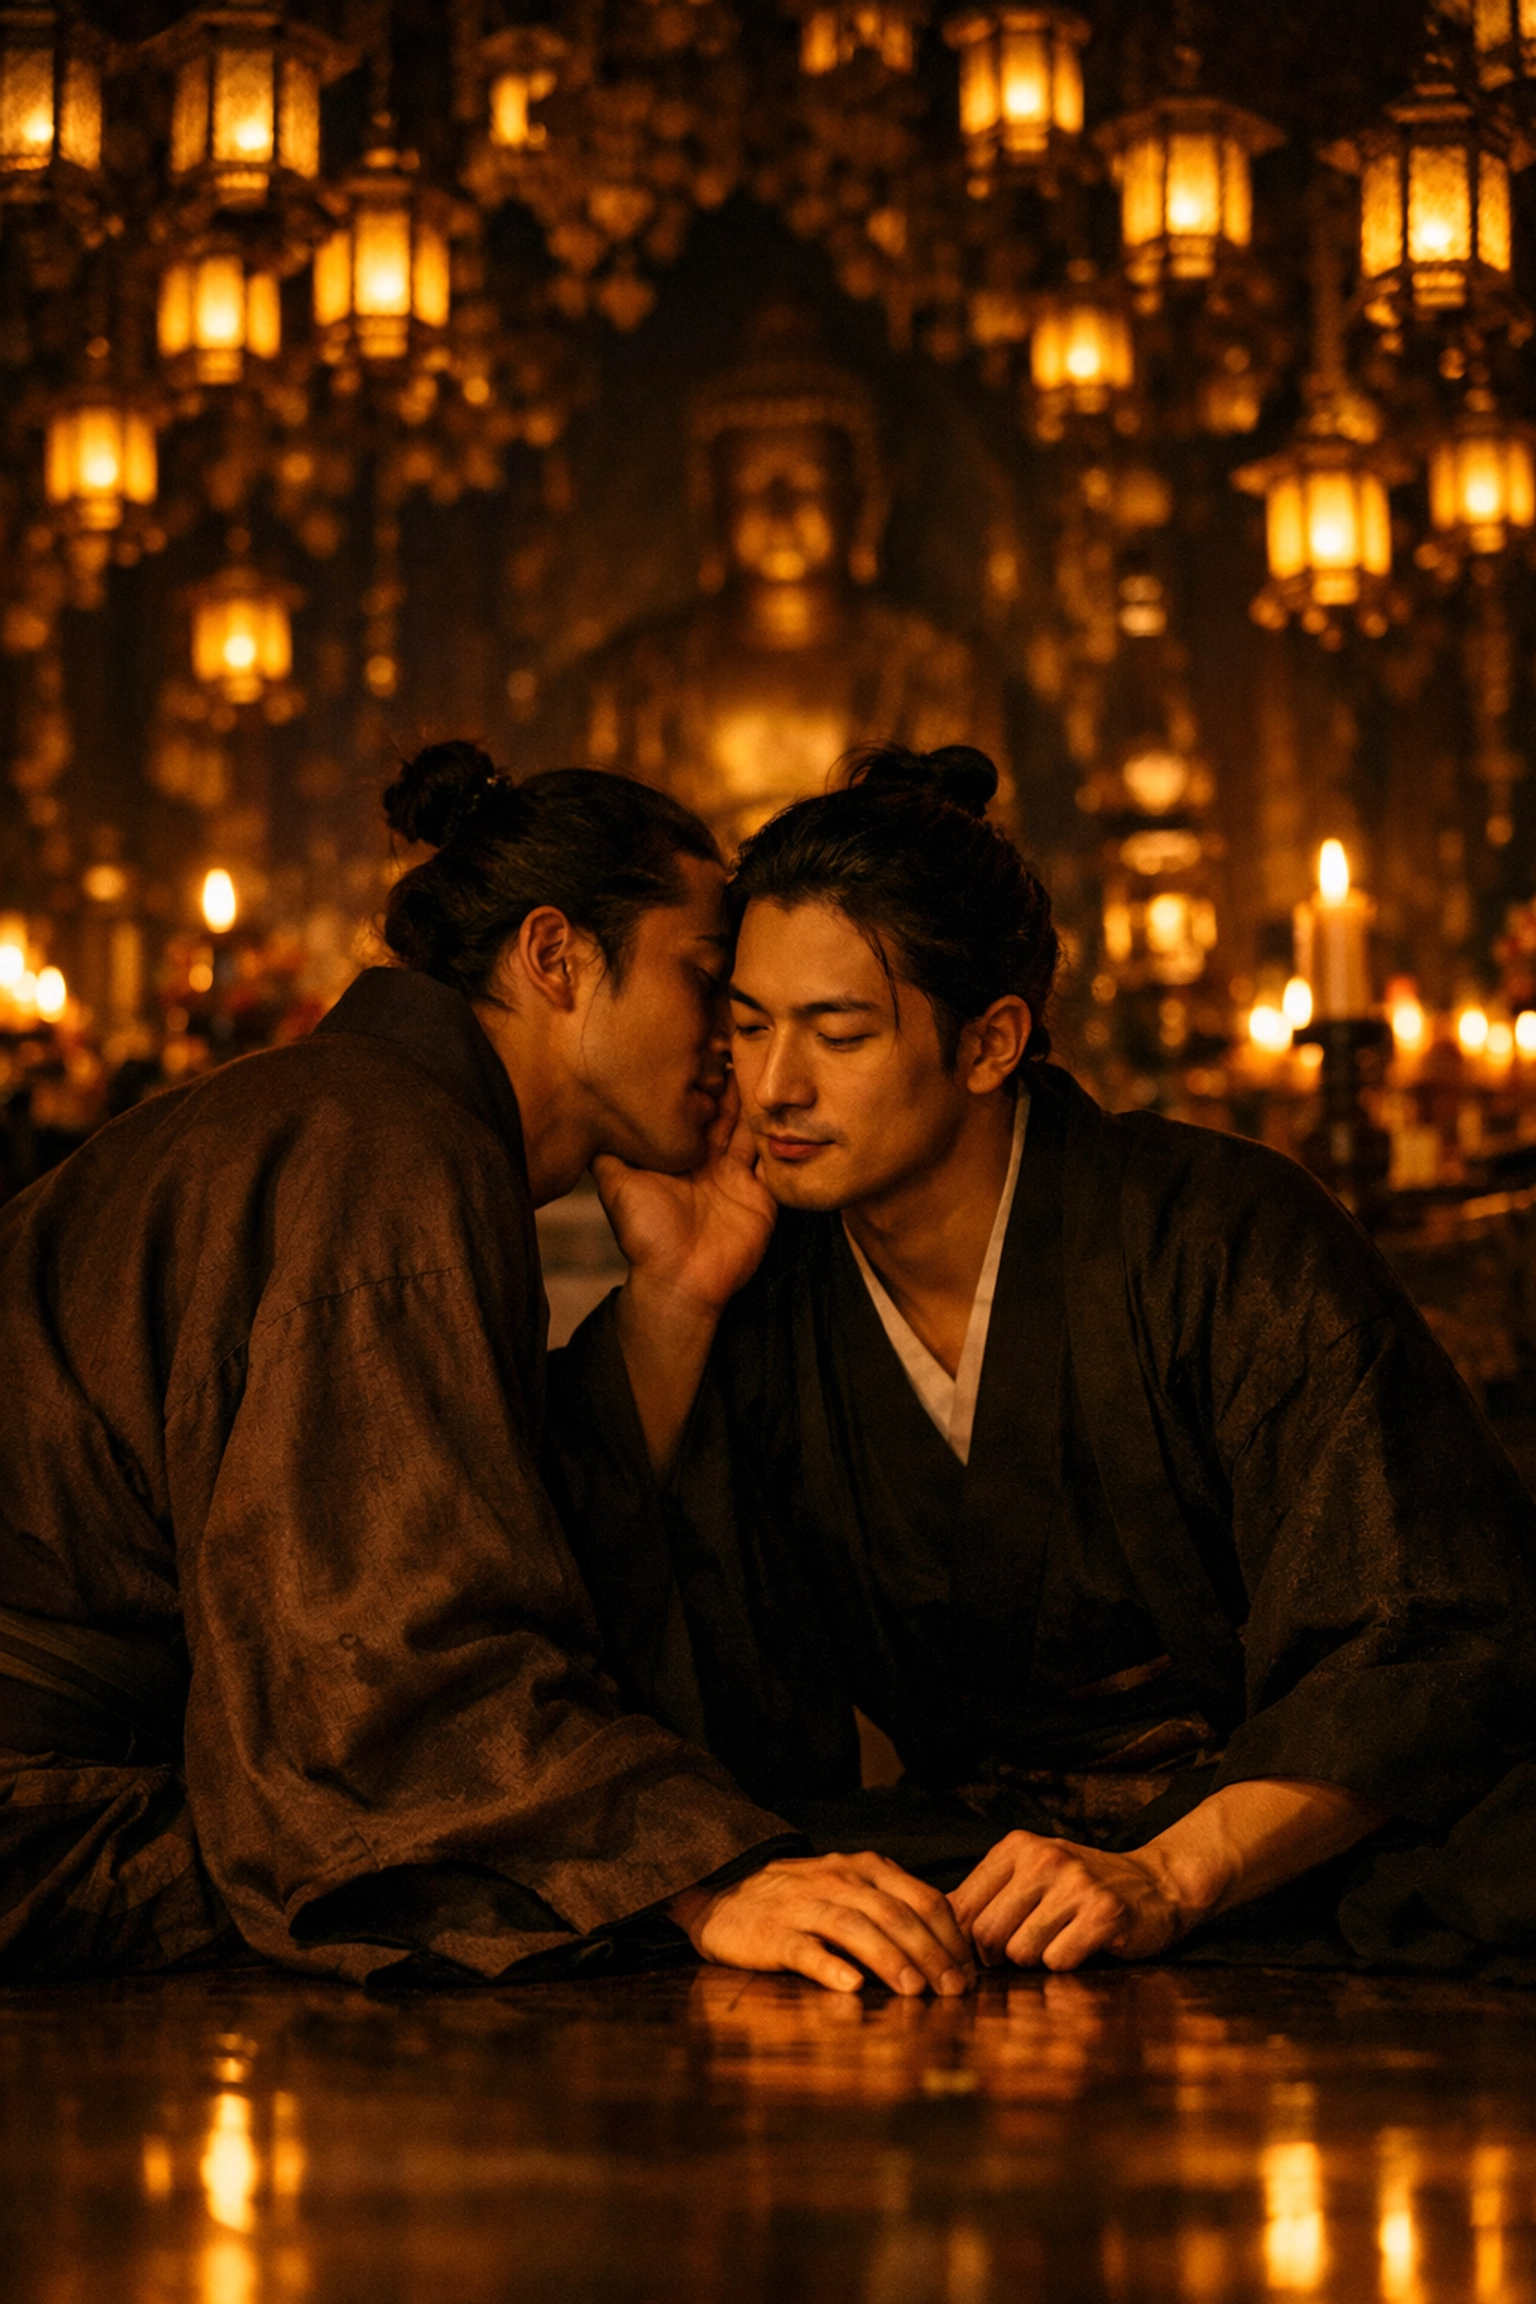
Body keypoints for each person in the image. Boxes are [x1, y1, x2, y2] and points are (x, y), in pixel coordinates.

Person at [0, 741, 975, 1998]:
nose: (739, 1051)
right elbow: (386, 1662)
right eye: (707, 983)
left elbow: (453, 1551)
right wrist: (703, 1877)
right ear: (556, 958)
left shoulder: (376, 1120)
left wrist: (672, 1300)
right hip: (48, 1817)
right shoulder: (382, 1145)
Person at [548, 743, 1536, 1976]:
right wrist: (676, 1300)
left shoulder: (1220, 1236)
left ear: (991, 1041)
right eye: (747, 1028)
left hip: (1285, 1835)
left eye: (837, 1033)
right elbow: (589, 1597)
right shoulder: (767, 1291)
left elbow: (1428, 1635)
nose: (775, 1086)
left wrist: (1171, 1872)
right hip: (988, 1871)